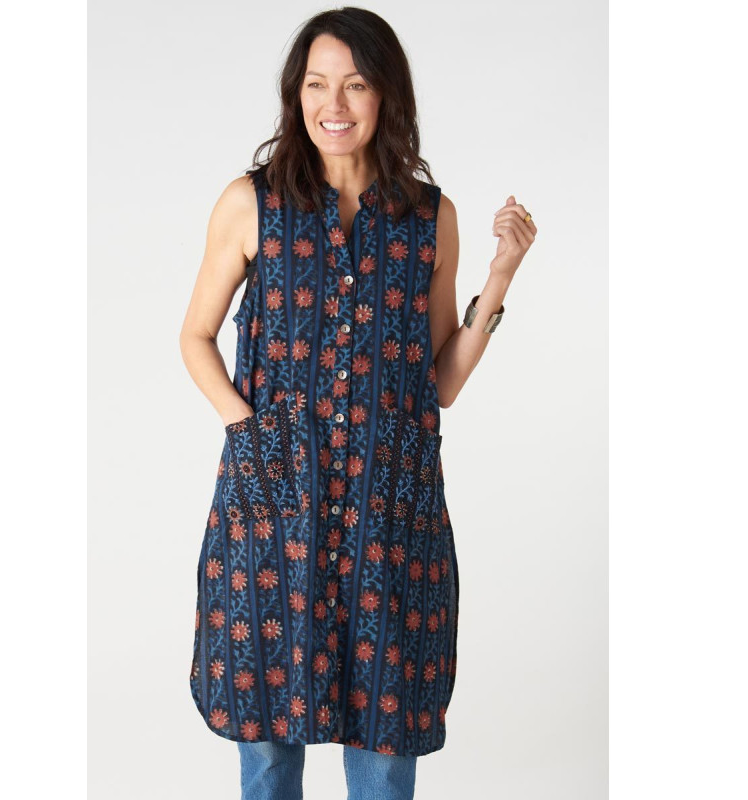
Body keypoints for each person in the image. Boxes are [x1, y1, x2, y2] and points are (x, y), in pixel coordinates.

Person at [179, 7, 537, 799]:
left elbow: (440, 379)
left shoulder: (429, 217)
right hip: (274, 515)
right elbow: (195, 336)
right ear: (296, 95)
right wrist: (251, 433)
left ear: (386, 96)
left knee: (384, 747)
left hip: (390, 518)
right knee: (269, 747)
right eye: (316, 84)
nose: (332, 104)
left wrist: (500, 276)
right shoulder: (251, 203)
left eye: (355, 84)